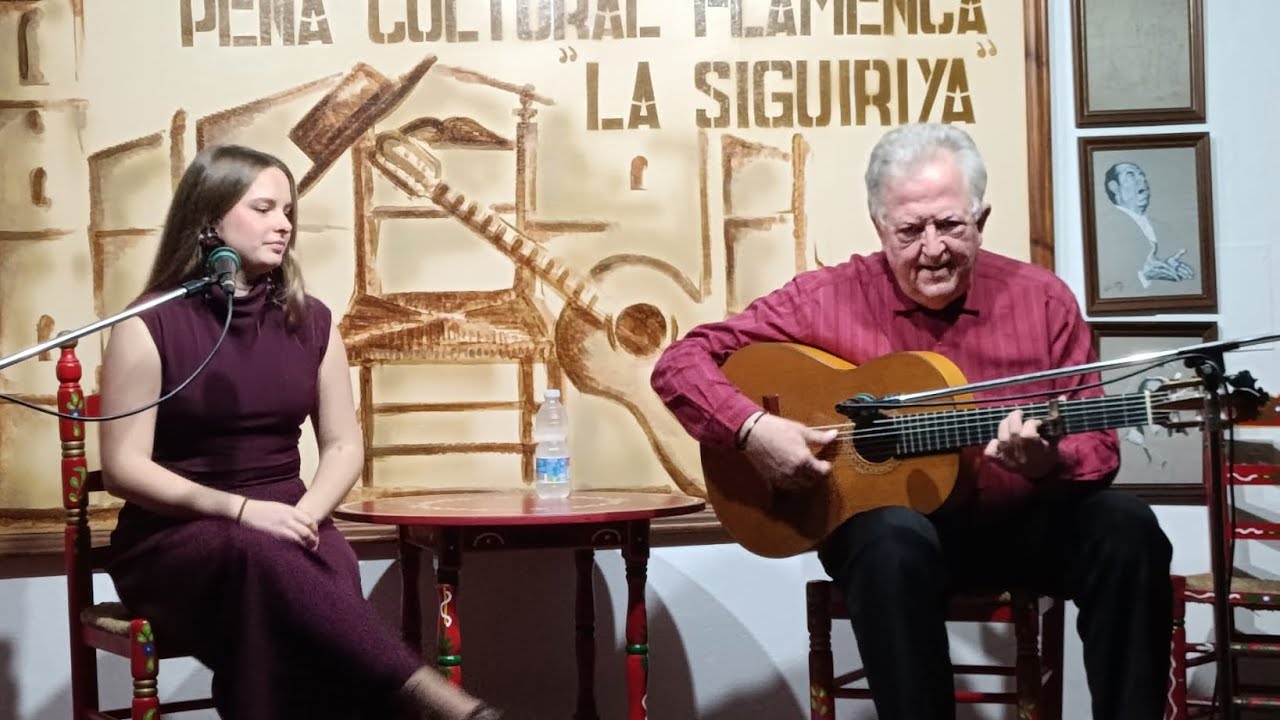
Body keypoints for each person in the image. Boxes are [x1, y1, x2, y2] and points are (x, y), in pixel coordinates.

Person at [650, 123, 1173, 720]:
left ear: (981, 218)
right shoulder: (826, 298)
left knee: (1127, 527)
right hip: (892, 547)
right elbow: (679, 363)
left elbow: (1099, 446)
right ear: (879, 227)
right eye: (909, 230)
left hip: (1021, 527)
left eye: (950, 225)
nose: (932, 249)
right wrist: (753, 430)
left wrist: (1047, 460)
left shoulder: (1044, 301)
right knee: (892, 539)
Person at [99, 144, 503, 720]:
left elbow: (343, 445)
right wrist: (242, 511)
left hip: (292, 522)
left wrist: (307, 516)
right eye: (263, 208)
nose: (284, 224)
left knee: (310, 571)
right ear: (209, 220)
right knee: (256, 559)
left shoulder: (312, 321)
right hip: (176, 540)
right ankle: (436, 702)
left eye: (288, 210)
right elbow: (124, 468)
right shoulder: (148, 324)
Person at [1101, 160, 1195, 290]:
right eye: (1131, 176)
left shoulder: (1164, 228)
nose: (1142, 180)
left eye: (1142, 176)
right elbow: (1106, 286)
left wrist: (1169, 265)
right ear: (1114, 187)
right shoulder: (1106, 228)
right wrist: (1144, 276)